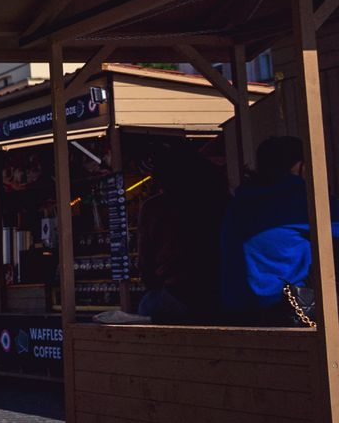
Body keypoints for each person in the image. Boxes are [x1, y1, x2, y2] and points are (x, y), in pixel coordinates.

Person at [219, 136, 324, 326]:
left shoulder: (241, 200)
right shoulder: (301, 198)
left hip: (236, 308)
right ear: (300, 166)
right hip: (284, 308)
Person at [136, 145, 226, 324]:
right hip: (219, 288)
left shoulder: (155, 208)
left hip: (178, 291)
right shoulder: (221, 200)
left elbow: (146, 265)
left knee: (146, 308)